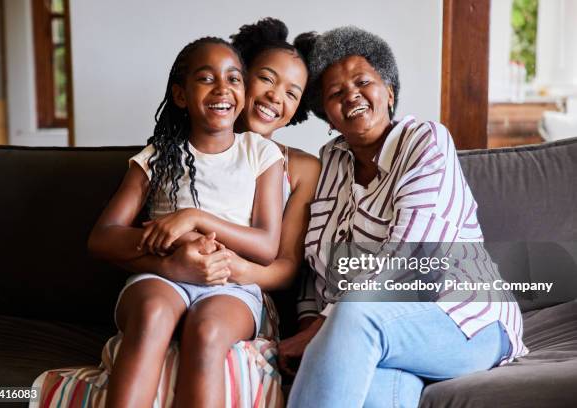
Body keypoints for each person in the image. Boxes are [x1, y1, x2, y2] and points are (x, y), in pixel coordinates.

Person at [282, 27, 529, 408]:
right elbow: (315, 270)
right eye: (334, 93)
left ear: (390, 92)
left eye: (363, 81)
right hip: (385, 333)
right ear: (327, 116)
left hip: (465, 318)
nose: (351, 94)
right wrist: (308, 328)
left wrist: (324, 327)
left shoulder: (425, 141)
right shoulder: (330, 161)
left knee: (358, 316)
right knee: (378, 392)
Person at [87, 37, 285, 408]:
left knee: (208, 330)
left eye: (234, 78)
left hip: (229, 287)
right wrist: (170, 262)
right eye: (206, 79)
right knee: (151, 313)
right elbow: (102, 238)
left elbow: (266, 245)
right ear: (180, 95)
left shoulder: (260, 153)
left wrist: (191, 218)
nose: (223, 88)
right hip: (161, 278)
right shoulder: (158, 156)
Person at [226, 18, 321, 310]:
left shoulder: (303, 169)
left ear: (298, 108)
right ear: (240, 75)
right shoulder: (194, 147)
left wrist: (234, 271)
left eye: (291, 93)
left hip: (247, 298)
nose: (275, 96)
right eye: (266, 79)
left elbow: (286, 267)